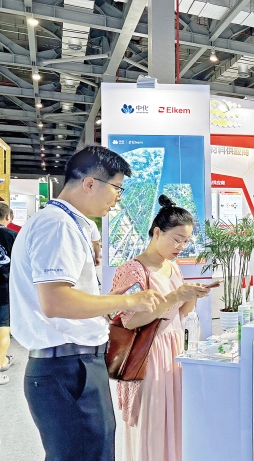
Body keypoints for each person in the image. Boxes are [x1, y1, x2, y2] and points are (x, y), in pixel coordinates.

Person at [9, 145, 166, 461]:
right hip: (68, 367)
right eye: (117, 188)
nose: (118, 198)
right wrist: (129, 299)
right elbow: (56, 301)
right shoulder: (57, 225)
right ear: (90, 183)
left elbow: (61, 298)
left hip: (72, 364)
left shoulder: (64, 223)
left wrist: (107, 304)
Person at [111, 194, 210, 461]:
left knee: (175, 420)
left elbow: (179, 315)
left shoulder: (172, 268)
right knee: (153, 423)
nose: (181, 246)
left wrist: (190, 295)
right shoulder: (132, 270)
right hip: (149, 354)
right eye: (177, 239)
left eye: (186, 241)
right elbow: (129, 320)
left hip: (174, 350)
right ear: (157, 232)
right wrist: (176, 296)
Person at [0, 203, 17, 385]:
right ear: (7, 217)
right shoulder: (12, 236)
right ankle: (1, 362)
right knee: (3, 325)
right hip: (4, 285)